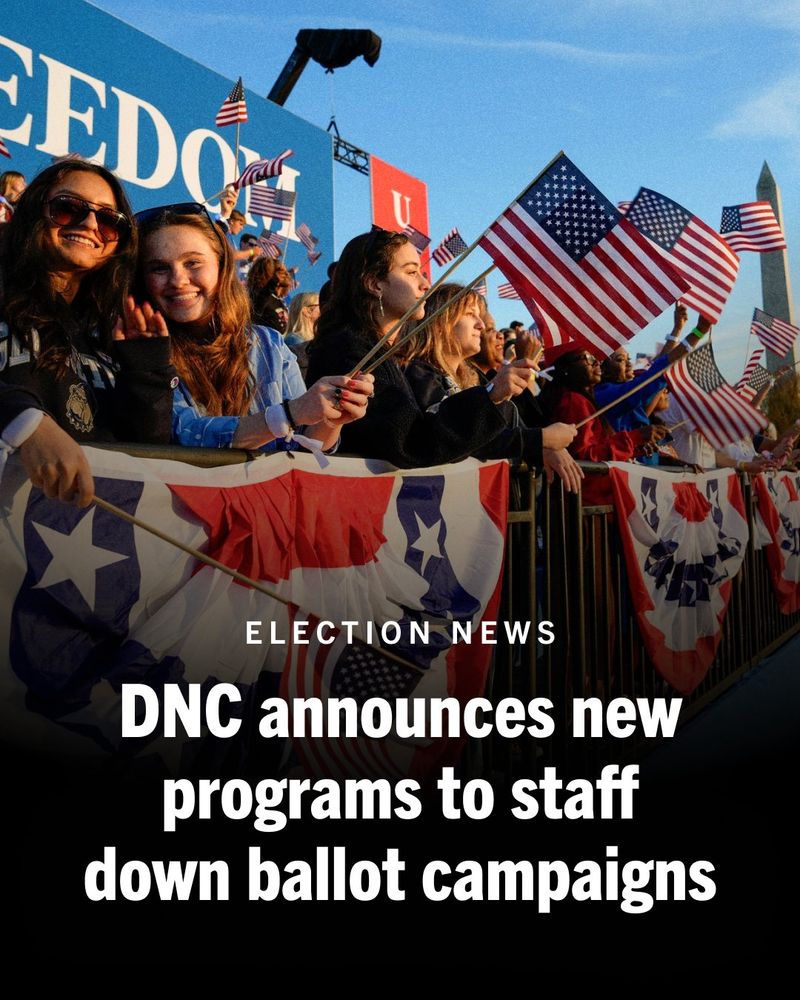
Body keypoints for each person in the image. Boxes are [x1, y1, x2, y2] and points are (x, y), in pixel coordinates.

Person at [307, 228, 571, 470]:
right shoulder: (349, 350)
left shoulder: (373, 348)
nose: (425, 284)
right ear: (375, 283)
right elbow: (412, 443)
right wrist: (492, 397)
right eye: (411, 272)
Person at [0, 161, 176, 507]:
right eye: (68, 208)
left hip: (74, 547)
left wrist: (148, 377)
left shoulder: (112, 332)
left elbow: (144, 457)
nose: (91, 224)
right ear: (36, 209)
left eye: (110, 221)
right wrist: (25, 422)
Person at [130, 204, 371, 453]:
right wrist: (287, 414)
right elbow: (182, 435)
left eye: (193, 263)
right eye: (159, 268)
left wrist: (332, 418)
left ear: (222, 267)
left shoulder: (269, 344)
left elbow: (307, 444)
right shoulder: (140, 348)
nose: (178, 280)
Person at [401, 283, 581, 489]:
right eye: (470, 314)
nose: (481, 325)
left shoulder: (477, 376)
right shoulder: (419, 373)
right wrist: (539, 439)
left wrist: (546, 446)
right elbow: (457, 437)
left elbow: (507, 427)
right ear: (441, 321)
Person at [247, 256, 291, 334]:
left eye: (286, 270)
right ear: (267, 273)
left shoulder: (280, 302)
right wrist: (272, 283)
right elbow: (256, 311)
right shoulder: (258, 297)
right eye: (280, 270)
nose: (287, 274)